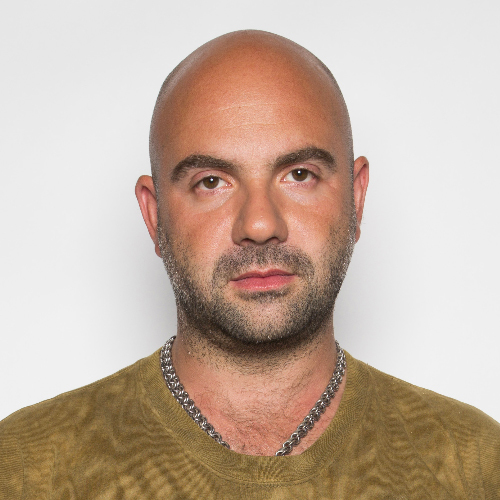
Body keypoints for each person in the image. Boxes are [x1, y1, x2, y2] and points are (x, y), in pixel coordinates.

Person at [1, 30, 499, 499]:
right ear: (154, 216)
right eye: (211, 182)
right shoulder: (24, 468)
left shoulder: (476, 466)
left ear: (356, 198)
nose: (260, 224)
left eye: (299, 174)